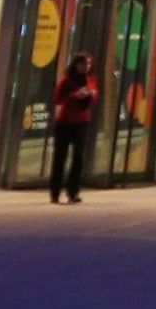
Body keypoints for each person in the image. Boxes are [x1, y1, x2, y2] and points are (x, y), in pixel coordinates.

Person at [49, 51, 97, 204]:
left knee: (78, 158)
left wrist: (90, 94)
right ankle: (55, 192)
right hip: (65, 122)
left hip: (81, 122)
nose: (86, 67)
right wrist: (74, 95)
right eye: (84, 64)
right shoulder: (67, 80)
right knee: (60, 158)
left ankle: (73, 191)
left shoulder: (90, 80)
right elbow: (57, 99)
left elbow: (94, 98)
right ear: (77, 65)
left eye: (89, 64)